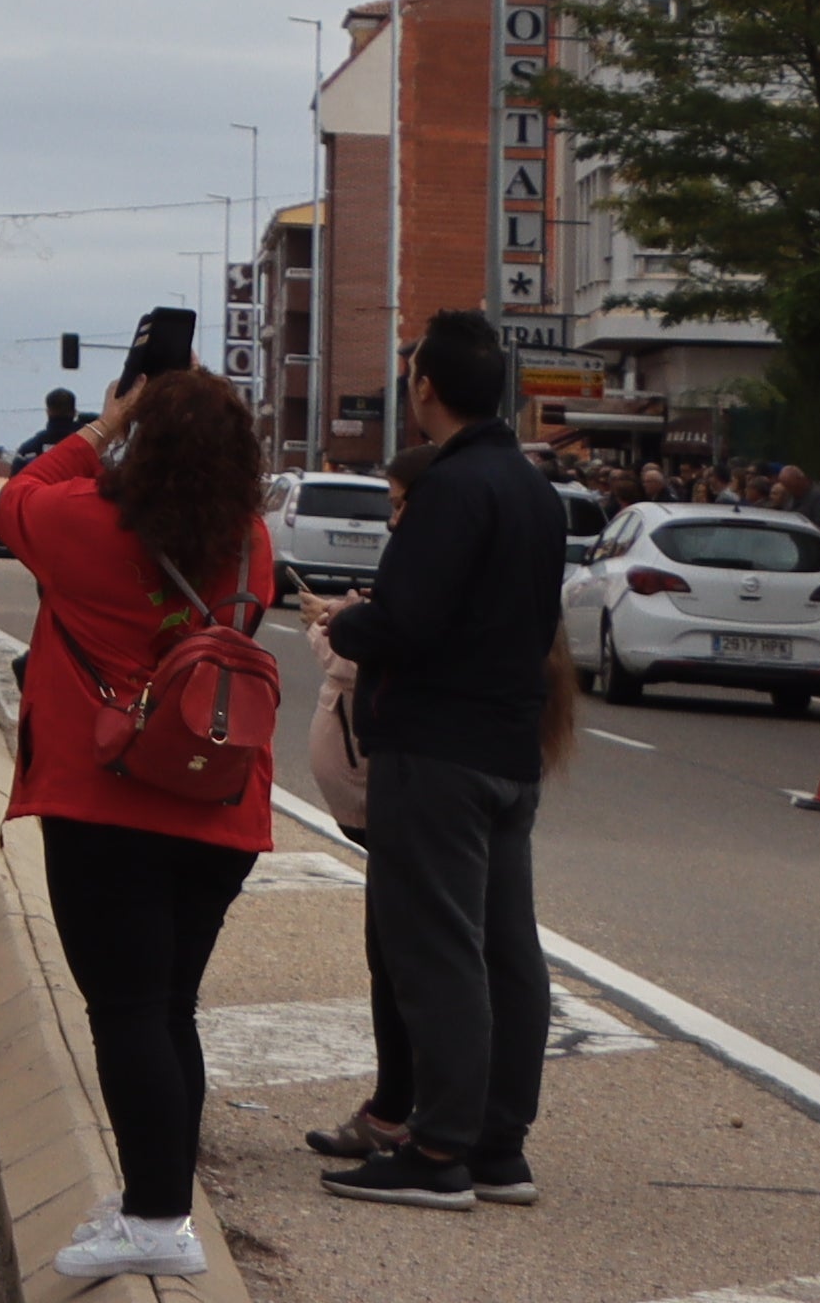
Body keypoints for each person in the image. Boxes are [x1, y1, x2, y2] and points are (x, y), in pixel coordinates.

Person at [0, 352, 278, 1288]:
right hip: (217, 800)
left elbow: (20, 493)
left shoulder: (83, 524)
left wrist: (106, 424)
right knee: (169, 1009)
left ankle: (156, 1218)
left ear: (146, 447)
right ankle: (156, 1201)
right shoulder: (252, 544)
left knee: (125, 1012)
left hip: (106, 800)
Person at [314, 308, 559, 1213]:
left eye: (412, 374)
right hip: (508, 748)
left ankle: (440, 1146)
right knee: (506, 948)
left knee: (436, 946)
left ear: (426, 387)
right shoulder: (532, 488)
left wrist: (350, 621)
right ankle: (500, 1145)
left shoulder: (452, 489)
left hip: (438, 752)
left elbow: (409, 622)